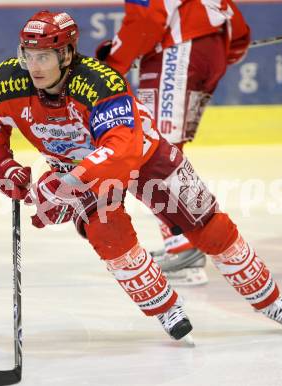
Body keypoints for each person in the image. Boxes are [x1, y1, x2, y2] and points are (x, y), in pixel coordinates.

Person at [0, 10, 282, 342]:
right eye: (28, 55)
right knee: (109, 234)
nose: (34, 66)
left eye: (44, 57)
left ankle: (271, 302)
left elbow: (122, 147)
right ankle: (166, 309)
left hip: (144, 155)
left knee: (209, 226)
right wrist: (2, 163)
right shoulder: (8, 81)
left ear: (67, 53)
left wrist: (69, 183)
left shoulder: (98, 82)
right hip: (78, 169)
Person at [95, 0, 251, 286]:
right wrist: (230, 46)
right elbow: (234, 23)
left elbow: (147, 19)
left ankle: (183, 244)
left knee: (150, 149)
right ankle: (185, 239)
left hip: (179, 53)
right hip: (209, 52)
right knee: (165, 147)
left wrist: (112, 62)